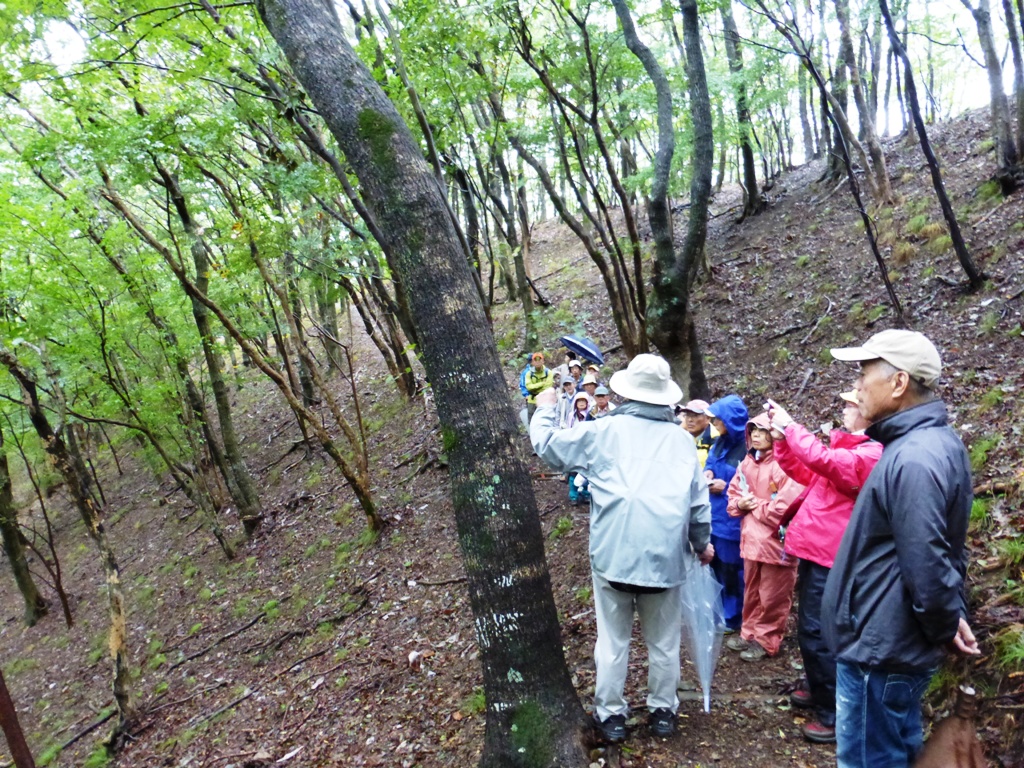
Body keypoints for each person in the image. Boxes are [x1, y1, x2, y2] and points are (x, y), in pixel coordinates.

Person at [530, 354, 714, 742]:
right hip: (665, 560)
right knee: (663, 642)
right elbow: (698, 504)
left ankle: (611, 716)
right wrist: (702, 544)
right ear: (665, 397)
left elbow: (547, 446)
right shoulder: (682, 442)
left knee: (612, 641)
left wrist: (544, 410)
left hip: (612, 556)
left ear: (627, 391)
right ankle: (663, 712)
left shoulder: (603, 432)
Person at [822, 329, 980, 768]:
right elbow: (946, 548)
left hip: (882, 650)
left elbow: (929, 559)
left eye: (864, 372)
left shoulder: (915, 458)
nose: (856, 385)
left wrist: (945, 618)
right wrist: (951, 615)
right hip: (884, 642)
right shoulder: (923, 445)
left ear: (898, 383)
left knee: (871, 761)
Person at [766, 390, 882, 744]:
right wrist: (782, 440)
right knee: (813, 630)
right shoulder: (849, 448)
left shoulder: (871, 452)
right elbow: (806, 468)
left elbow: (825, 462)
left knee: (821, 633)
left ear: (868, 413)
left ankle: (833, 712)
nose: (844, 408)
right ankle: (821, 691)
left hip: (834, 558)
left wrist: (791, 427)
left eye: (850, 404)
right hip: (820, 554)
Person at [725, 413, 804, 662]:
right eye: (754, 431)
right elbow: (733, 496)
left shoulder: (787, 465)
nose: (757, 435)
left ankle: (767, 639)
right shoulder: (747, 463)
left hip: (776, 543)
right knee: (752, 591)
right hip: (751, 541)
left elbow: (784, 509)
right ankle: (749, 632)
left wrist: (751, 505)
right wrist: (740, 503)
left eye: (763, 430)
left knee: (774, 595)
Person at [703, 394, 749, 632]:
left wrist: (726, 486)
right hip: (714, 517)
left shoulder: (749, 447)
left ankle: (733, 618)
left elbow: (753, 482)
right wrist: (709, 473)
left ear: (731, 421)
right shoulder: (719, 441)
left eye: (718, 421)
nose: (714, 426)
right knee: (716, 567)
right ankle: (719, 612)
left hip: (732, 521)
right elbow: (711, 462)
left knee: (733, 571)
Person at [679, 399, 714, 468]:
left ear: (707, 418)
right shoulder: (683, 436)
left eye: (695, 415)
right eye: (687, 415)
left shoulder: (716, 439)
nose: (690, 420)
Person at [523, 352, 556, 422]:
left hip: (545, 400)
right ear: (532, 362)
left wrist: (535, 388)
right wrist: (541, 384)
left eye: (539, 359)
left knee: (545, 420)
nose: (537, 362)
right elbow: (529, 387)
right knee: (532, 421)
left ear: (543, 361)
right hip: (532, 400)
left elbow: (548, 387)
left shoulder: (548, 372)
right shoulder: (529, 373)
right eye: (535, 360)